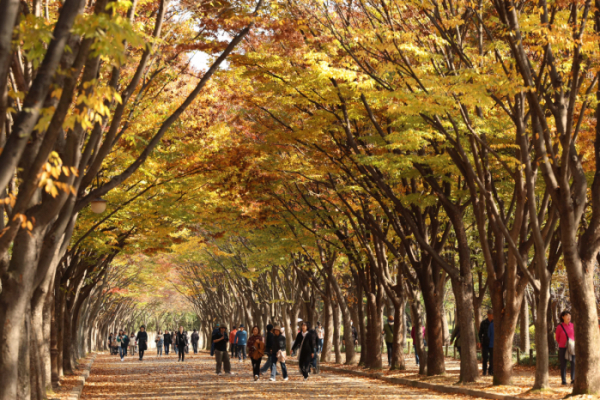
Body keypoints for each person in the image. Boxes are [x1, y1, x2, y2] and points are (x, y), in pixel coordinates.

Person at [555, 310, 575, 385]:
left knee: (573, 362)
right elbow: (557, 337)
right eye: (566, 315)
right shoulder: (559, 327)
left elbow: (575, 336)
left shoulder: (573, 325)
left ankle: (573, 379)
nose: (568, 317)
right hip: (563, 347)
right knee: (563, 363)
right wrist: (562, 343)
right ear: (563, 317)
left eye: (569, 315)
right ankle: (563, 380)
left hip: (572, 347)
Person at [478, 309, 493, 376]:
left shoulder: (495, 322)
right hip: (485, 343)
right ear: (488, 315)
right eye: (491, 314)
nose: (492, 316)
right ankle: (484, 371)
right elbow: (480, 333)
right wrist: (479, 342)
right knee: (485, 357)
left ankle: (491, 371)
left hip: (493, 343)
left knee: (492, 358)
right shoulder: (483, 323)